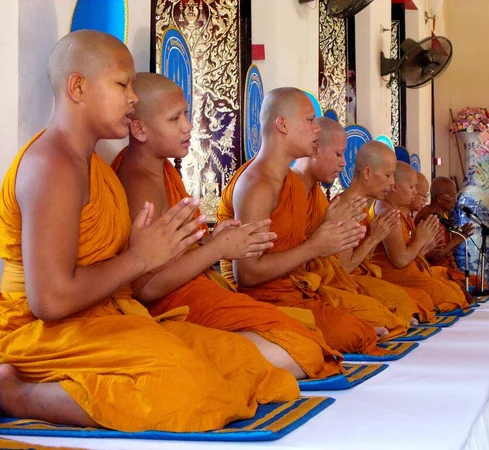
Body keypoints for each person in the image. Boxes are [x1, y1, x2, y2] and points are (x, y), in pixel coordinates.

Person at [0, 30, 298, 432]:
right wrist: (140, 258)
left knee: (243, 366)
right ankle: (17, 393)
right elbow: (50, 301)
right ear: (78, 87)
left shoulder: (92, 167)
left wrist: (172, 250)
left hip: (102, 315)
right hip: (43, 331)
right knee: (190, 392)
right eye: (122, 84)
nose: (132, 97)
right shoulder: (51, 165)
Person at [113, 73, 341, 380]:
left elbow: (169, 257)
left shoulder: (161, 170)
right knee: (302, 349)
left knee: (306, 339)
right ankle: (181, 364)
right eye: (174, 118)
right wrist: (217, 249)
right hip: (171, 308)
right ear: (139, 129)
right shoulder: (139, 182)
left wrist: (209, 245)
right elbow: (146, 287)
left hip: (197, 293)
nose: (188, 126)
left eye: (186, 115)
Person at [217, 88, 409, 354]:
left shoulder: (291, 185)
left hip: (296, 291)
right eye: (309, 121)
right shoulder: (257, 185)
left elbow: (304, 258)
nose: (316, 130)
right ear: (282, 124)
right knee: (350, 335)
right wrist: (316, 244)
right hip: (260, 299)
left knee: (368, 325)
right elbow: (247, 274)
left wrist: (321, 240)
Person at [293, 122, 436, 324]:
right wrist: (373, 238)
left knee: (410, 300)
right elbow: (343, 268)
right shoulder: (346, 207)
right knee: (401, 303)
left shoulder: (358, 207)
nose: (392, 184)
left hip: (352, 281)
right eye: (388, 176)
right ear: (368, 173)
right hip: (330, 284)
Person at [372, 163, 470, 312]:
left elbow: (410, 255)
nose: (415, 193)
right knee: (450, 295)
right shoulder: (388, 212)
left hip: (409, 273)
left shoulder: (399, 213)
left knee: (453, 290)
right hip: (392, 276)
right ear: (395, 186)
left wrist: (424, 246)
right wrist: (420, 241)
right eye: (412, 187)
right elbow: (400, 261)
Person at [415, 176, 476, 290]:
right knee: (463, 287)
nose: (455, 200)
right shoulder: (429, 217)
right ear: (439, 197)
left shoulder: (443, 215)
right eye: (452, 195)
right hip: (434, 271)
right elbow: (432, 257)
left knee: (476, 282)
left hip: (447, 270)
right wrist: (456, 241)